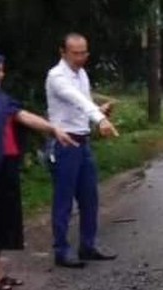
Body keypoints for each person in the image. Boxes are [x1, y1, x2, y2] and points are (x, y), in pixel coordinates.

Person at [0, 48, 77, 290]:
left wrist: (53, 129)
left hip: (6, 163)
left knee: (2, 219)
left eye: (1, 69)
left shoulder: (1, 97)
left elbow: (22, 116)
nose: (1, 74)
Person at [46, 33, 120, 269]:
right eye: (75, 53)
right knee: (64, 199)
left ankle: (88, 245)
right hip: (65, 143)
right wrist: (99, 118)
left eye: (84, 53)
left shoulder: (82, 74)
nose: (81, 58)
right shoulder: (57, 76)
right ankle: (61, 249)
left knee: (90, 197)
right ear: (63, 52)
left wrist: (100, 112)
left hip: (82, 141)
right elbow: (76, 99)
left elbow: (84, 105)